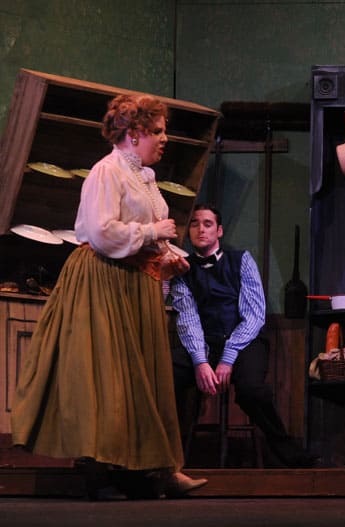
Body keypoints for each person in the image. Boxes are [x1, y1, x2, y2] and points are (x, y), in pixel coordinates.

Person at [11, 94, 206, 499]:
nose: (164, 139)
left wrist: (165, 259)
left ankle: (152, 470)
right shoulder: (107, 171)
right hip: (104, 280)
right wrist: (153, 233)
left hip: (136, 282)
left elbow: (142, 235)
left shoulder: (144, 178)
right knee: (107, 378)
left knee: (143, 379)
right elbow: (101, 232)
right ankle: (102, 473)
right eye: (157, 131)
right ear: (134, 133)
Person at [170, 204, 316, 468]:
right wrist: (200, 361)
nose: (201, 229)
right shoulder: (182, 270)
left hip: (244, 341)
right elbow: (188, 318)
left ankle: (289, 453)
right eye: (195, 223)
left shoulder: (241, 260)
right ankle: (164, 456)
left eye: (207, 224)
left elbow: (254, 315)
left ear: (219, 231)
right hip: (205, 343)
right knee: (164, 376)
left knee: (252, 390)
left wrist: (228, 357)